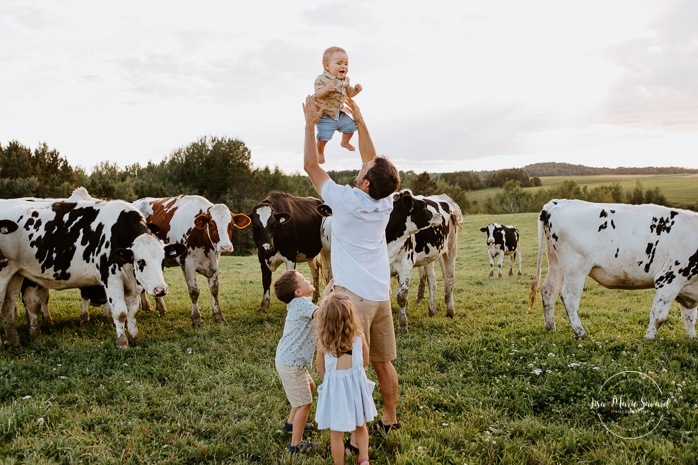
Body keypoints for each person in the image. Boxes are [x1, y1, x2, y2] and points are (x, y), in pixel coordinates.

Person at [302, 95, 402, 449]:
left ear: (364, 184)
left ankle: (346, 428)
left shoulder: (344, 200)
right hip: (380, 295)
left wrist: (310, 123)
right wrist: (359, 119)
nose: (359, 170)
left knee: (339, 366)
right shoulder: (386, 201)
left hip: (351, 299)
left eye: (361, 173)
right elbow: (373, 161)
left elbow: (311, 167)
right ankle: (389, 417)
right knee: (382, 362)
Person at [315, 293, 377, 465]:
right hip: (356, 387)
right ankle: (364, 459)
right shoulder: (360, 337)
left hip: (336, 392)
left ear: (325, 321)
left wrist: (330, 380)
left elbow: (320, 368)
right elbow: (365, 360)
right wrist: (357, 372)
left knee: (336, 434)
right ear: (351, 316)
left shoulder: (325, 343)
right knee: (361, 426)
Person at [273, 269, 320, 454]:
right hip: (292, 363)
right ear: (298, 292)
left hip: (289, 361)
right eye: (303, 279)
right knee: (304, 403)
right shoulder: (301, 303)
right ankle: (296, 445)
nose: (307, 279)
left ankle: (291, 424)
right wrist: (329, 296)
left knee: (309, 388)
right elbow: (322, 314)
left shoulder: (299, 302)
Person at [314, 46, 363, 164]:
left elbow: (349, 93)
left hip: (340, 113)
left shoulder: (345, 81)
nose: (344, 67)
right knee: (323, 137)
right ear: (327, 66)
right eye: (339, 63)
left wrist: (356, 90)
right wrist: (326, 89)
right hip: (326, 115)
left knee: (351, 127)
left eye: (346, 64)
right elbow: (318, 94)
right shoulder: (322, 79)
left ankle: (344, 142)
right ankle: (320, 151)